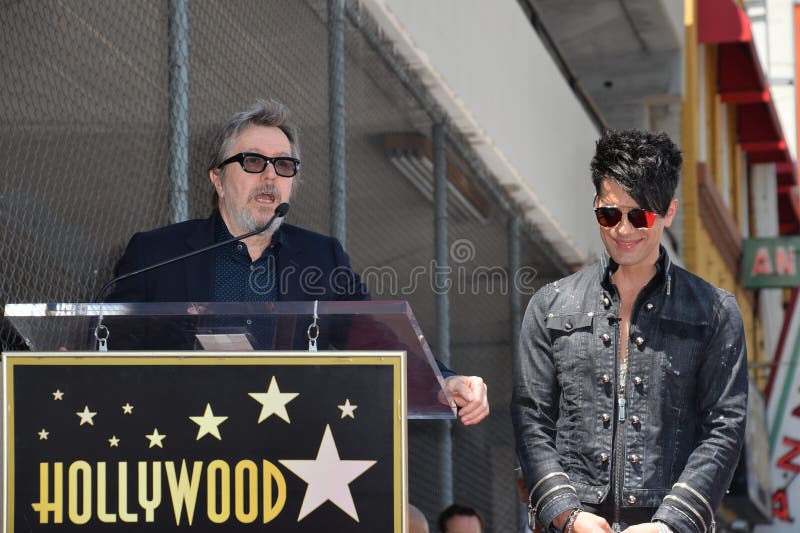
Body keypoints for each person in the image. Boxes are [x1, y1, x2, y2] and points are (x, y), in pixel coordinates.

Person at [107, 98, 489, 426]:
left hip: (286, 457)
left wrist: (445, 382)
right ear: (218, 179)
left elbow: (377, 343)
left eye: (284, 166)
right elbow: (105, 348)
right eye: (253, 161)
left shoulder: (322, 259)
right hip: (178, 455)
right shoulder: (157, 255)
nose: (270, 175)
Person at [511, 129, 748, 533]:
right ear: (595, 207)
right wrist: (568, 515)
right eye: (609, 214)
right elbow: (531, 416)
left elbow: (724, 427)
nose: (623, 230)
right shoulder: (549, 306)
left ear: (669, 212)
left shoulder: (715, 311)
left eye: (640, 215)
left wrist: (670, 524)